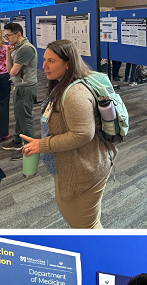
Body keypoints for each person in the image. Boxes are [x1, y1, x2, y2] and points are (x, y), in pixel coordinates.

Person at [19, 39, 117, 229]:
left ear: (68, 63)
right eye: (45, 59)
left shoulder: (75, 93)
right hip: (70, 164)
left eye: (51, 61)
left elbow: (83, 134)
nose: (44, 65)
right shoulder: (61, 85)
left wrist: (43, 145)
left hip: (84, 170)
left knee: (85, 226)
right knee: (84, 222)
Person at [2, 23, 38, 152]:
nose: (7, 39)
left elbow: (12, 72)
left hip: (25, 88)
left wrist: (8, 54)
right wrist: (8, 53)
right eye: (5, 36)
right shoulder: (17, 48)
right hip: (19, 86)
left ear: (18, 34)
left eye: (8, 36)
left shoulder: (25, 49)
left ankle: (30, 147)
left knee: (25, 118)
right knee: (19, 116)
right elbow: (9, 70)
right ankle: (18, 140)